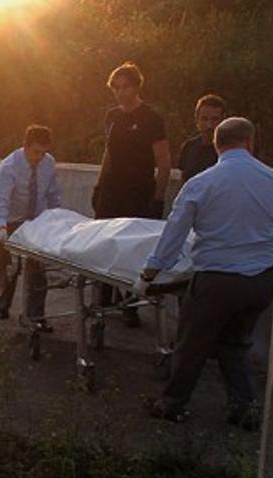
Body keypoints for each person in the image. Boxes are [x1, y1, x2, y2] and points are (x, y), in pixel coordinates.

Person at [136, 117, 273, 429]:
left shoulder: (202, 183)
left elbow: (174, 233)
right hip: (262, 280)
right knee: (234, 341)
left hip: (218, 280)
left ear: (216, 144)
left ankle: (171, 404)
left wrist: (150, 273)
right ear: (250, 142)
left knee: (191, 344)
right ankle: (245, 407)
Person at [92, 62, 172, 327]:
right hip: (111, 191)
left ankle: (130, 304)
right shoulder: (112, 116)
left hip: (139, 192)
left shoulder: (152, 118)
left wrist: (159, 197)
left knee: (132, 249)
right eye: (116, 87)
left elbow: (163, 160)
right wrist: (99, 185)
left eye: (126, 86)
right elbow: (108, 153)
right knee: (104, 243)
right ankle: (101, 301)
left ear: (137, 86)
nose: (121, 92)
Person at [0, 125, 62, 330]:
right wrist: (0, 227)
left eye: (44, 152)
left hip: (34, 222)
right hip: (8, 220)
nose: (39, 157)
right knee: (9, 269)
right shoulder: (9, 167)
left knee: (38, 269)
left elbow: (53, 194)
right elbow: (1, 199)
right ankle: (3, 304)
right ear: (25, 146)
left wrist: (57, 219)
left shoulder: (48, 164)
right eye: (36, 152)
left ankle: (36, 316)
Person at [177, 94, 227, 183]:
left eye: (214, 119)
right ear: (196, 120)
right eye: (204, 119)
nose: (209, 125)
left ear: (223, 120)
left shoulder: (230, 150)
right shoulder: (188, 147)